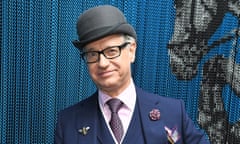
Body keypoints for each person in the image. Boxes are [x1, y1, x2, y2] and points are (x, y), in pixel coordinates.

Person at [54, 5, 210, 144]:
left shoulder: (173, 113)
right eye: (92, 54)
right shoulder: (68, 122)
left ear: (131, 50)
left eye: (112, 51)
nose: (102, 63)